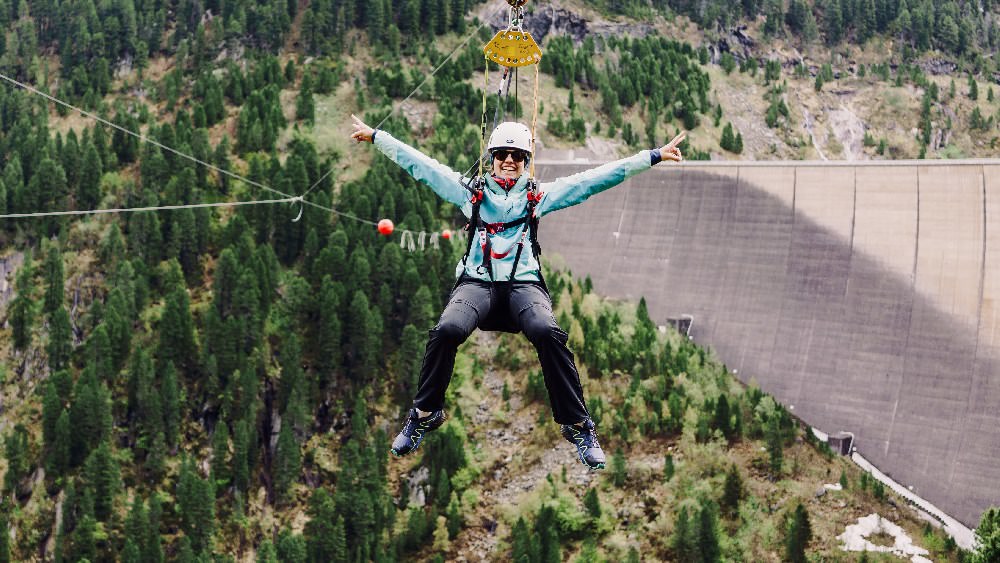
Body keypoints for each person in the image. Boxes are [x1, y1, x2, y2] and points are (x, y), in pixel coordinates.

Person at [350, 115, 684, 469]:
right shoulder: (471, 194)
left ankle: (579, 425)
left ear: (526, 161)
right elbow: (422, 166)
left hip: (523, 284)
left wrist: (652, 156)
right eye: (502, 154)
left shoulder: (537, 197)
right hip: (477, 282)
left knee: (548, 332)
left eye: (518, 156)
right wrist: (378, 137)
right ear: (491, 158)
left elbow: (595, 179)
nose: (509, 161)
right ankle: (423, 414)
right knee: (447, 330)